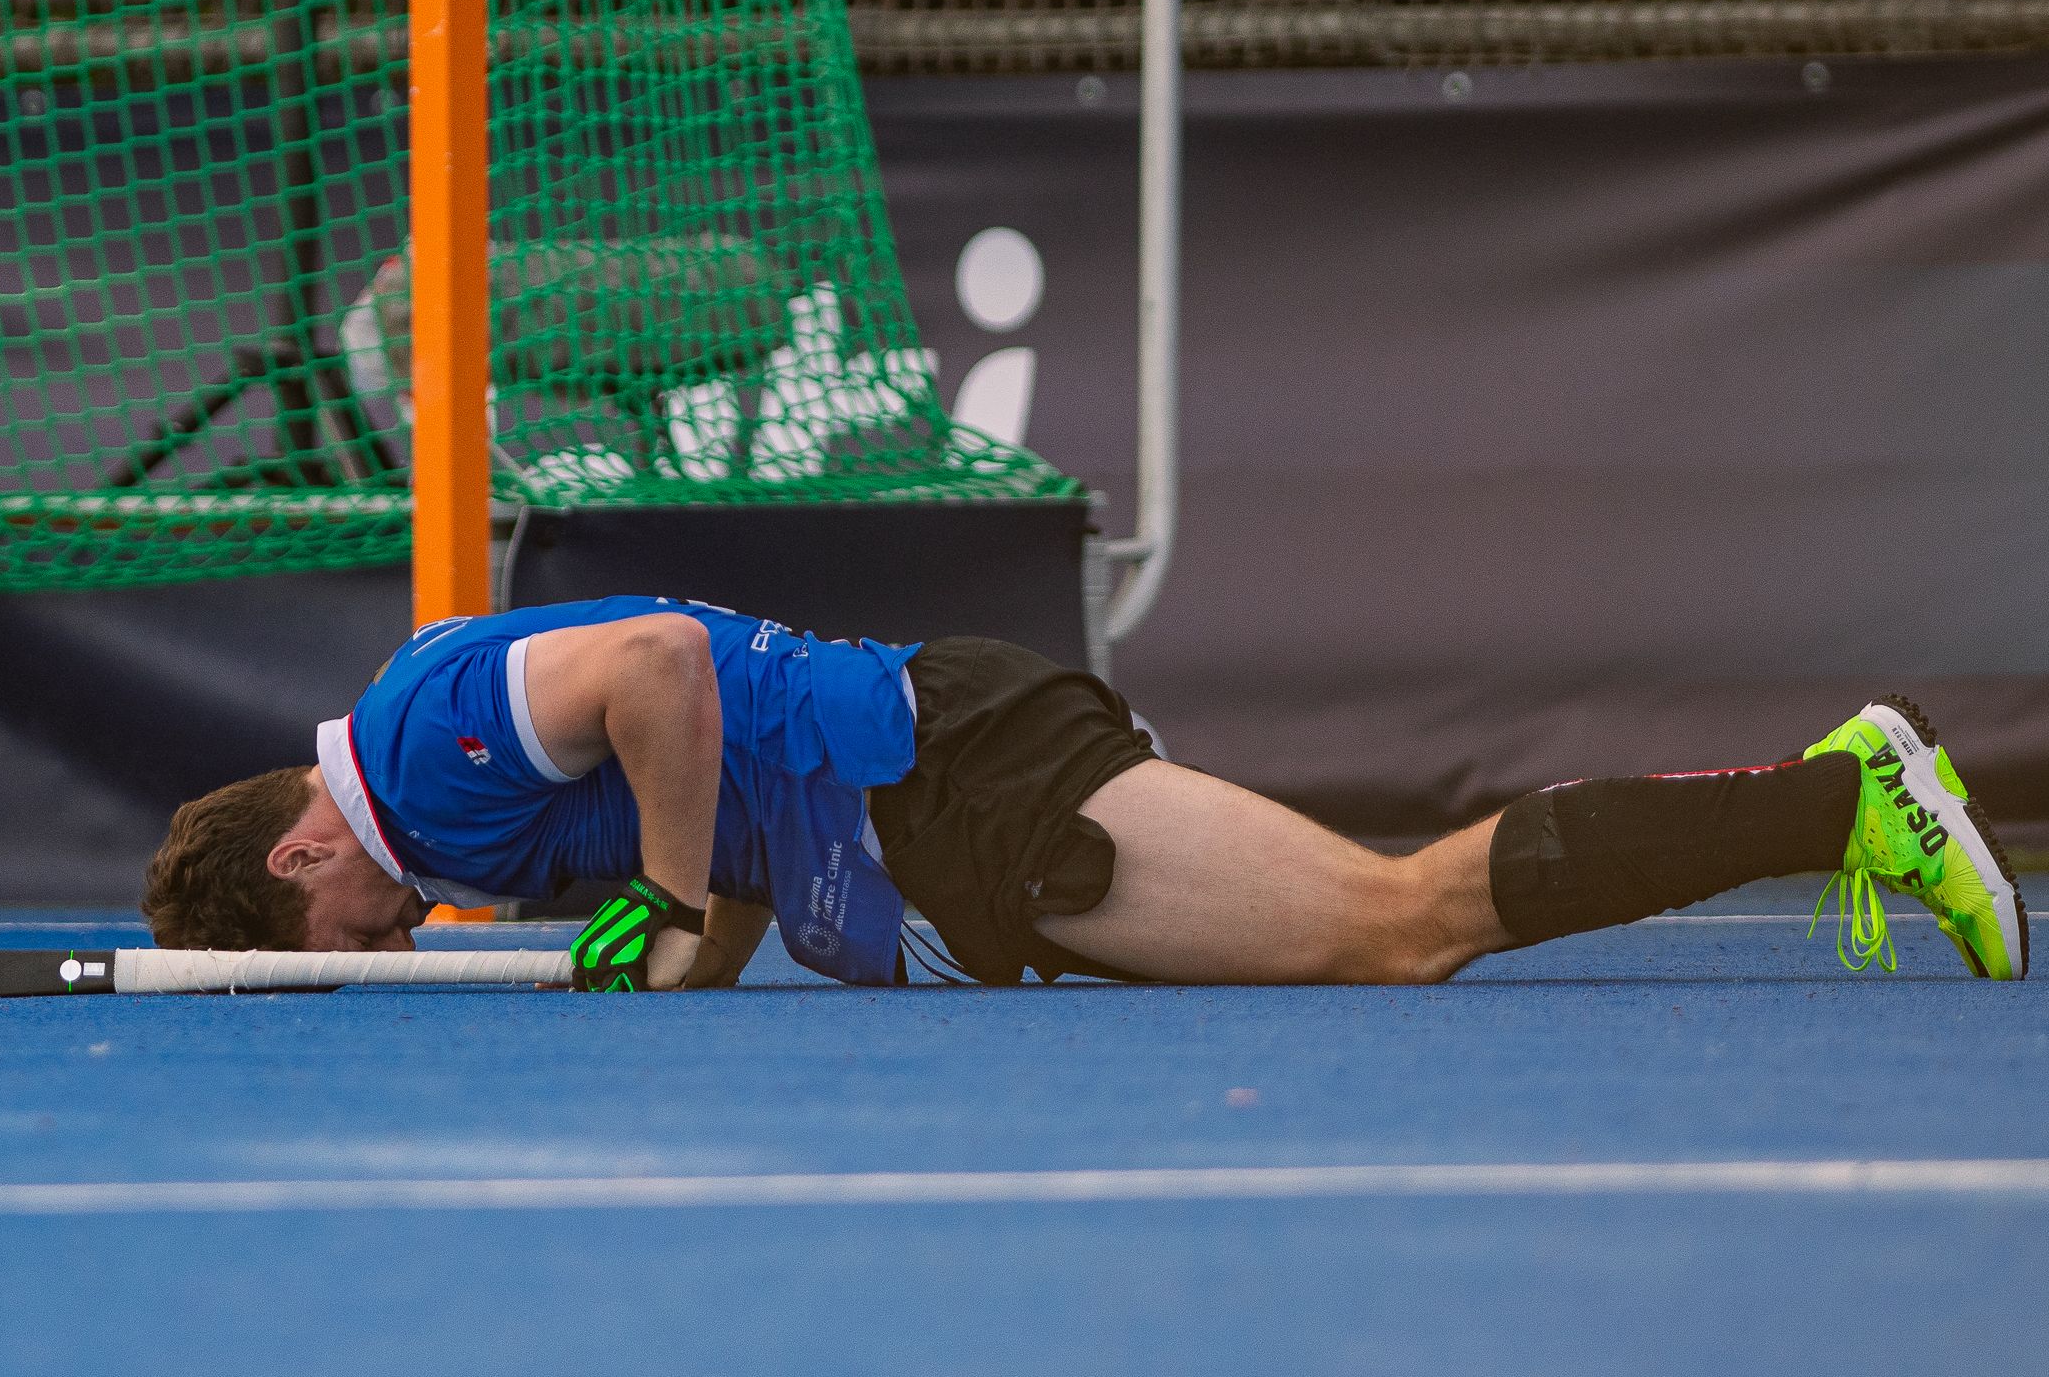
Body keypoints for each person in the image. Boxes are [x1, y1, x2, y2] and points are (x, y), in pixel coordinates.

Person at [139, 596, 2027, 989]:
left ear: (304, 850)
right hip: (925, 829)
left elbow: (659, 671)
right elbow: (702, 850)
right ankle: (1832, 798)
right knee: (1392, 932)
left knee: (1399, 925)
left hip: (947, 777)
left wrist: (672, 899)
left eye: (335, 938)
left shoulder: (416, 749)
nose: (386, 946)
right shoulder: (429, 810)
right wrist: (682, 958)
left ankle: (1843, 795)